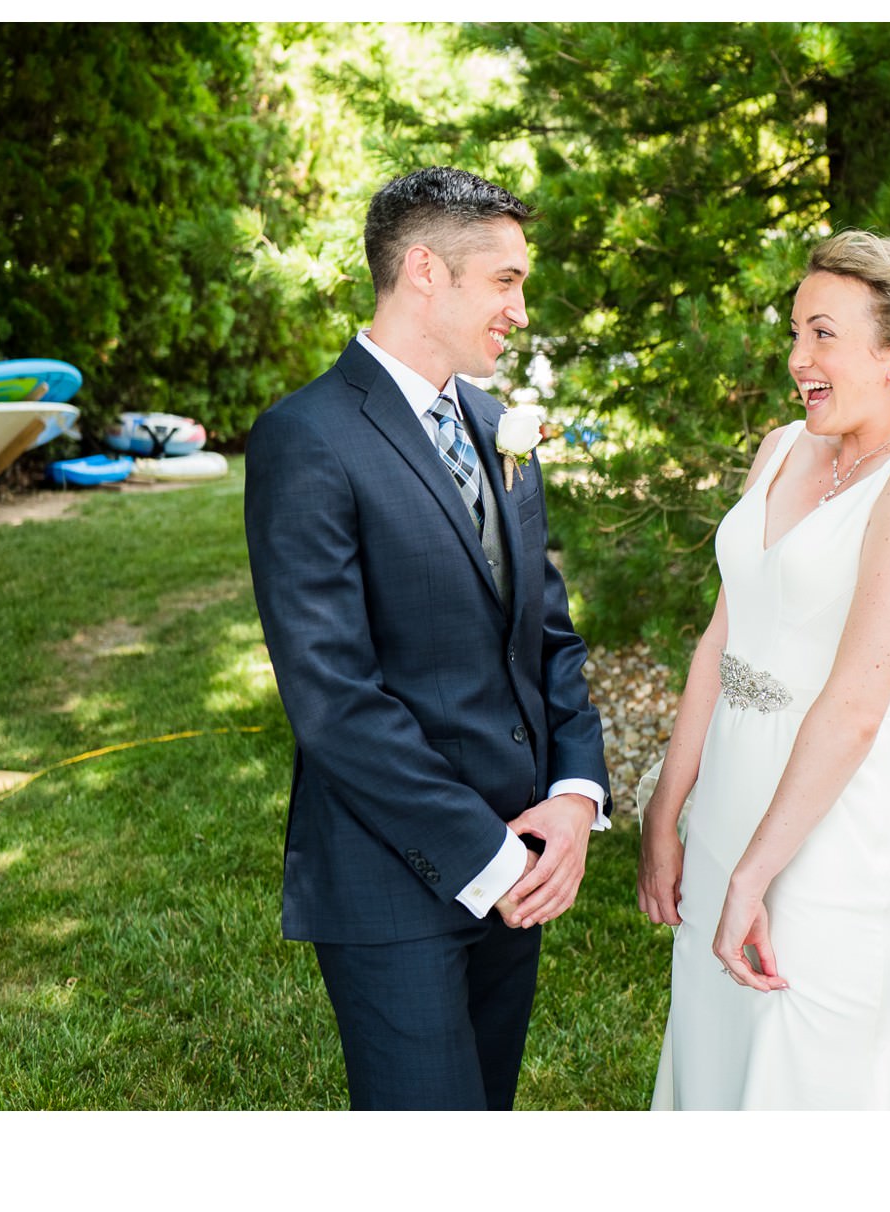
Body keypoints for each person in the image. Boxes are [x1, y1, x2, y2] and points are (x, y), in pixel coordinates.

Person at [636, 230, 890, 1109]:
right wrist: (668, 809)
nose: (796, 359)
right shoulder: (782, 448)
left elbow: (855, 705)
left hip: (826, 833)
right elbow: (721, 641)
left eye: (822, 335)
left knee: (812, 1074)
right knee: (717, 1051)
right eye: (793, 333)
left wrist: (755, 873)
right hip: (726, 811)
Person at [244, 166, 611, 1111]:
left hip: (522, 862)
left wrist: (573, 796)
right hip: (392, 877)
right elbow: (334, 700)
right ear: (423, 272)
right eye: (506, 281)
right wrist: (482, 858)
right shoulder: (307, 436)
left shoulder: (496, 425)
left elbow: (548, 634)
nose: (521, 311)